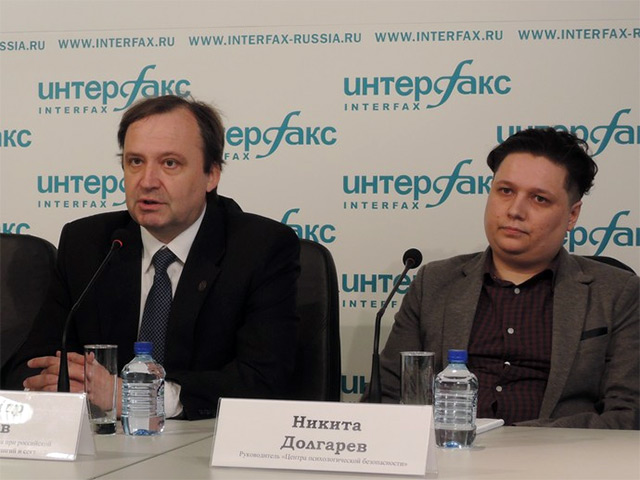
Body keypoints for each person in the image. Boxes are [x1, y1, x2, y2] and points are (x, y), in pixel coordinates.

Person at [4, 95, 301, 420]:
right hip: (106, 444)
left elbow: (264, 381)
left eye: (170, 163)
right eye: (135, 162)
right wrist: (63, 386)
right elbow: (30, 365)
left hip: (205, 443)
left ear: (211, 175)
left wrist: (133, 396)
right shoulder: (88, 244)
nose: (146, 182)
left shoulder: (259, 249)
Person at [377, 127, 639, 429]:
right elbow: (388, 396)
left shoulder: (617, 293)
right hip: (447, 452)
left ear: (572, 215)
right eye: (505, 191)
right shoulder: (434, 283)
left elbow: (629, 415)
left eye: (539, 199)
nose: (515, 210)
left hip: (560, 455)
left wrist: (524, 441)